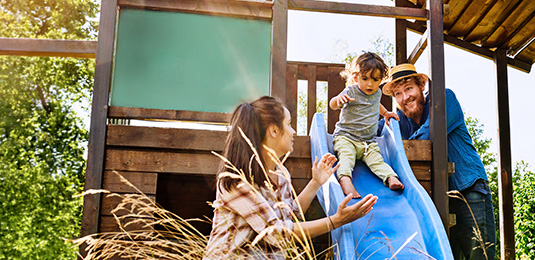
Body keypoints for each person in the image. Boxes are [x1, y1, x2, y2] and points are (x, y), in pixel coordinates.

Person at [204, 96, 377, 259]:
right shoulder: (237, 181)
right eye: (289, 124)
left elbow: (290, 216)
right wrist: (336, 221)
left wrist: (315, 183)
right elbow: (277, 234)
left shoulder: (280, 173)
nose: (293, 131)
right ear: (274, 130)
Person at [379, 64, 497, 260]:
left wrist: (403, 143)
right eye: (398, 94)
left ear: (422, 85)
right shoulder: (400, 118)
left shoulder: (444, 99)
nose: (405, 97)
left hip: (468, 190)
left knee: (479, 256)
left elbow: (429, 135)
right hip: (437, 199)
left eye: (409, 89)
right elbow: (376, 133)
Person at [329, 52, 403, 199]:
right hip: (346, 137)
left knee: (377, 159)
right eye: (365, 79)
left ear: (381, 80)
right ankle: (345, 179)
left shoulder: (377, 94)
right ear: (356, 78)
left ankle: (390, 177)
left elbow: (376, 105)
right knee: (346, 157)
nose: (370, 84)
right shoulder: (351, 91)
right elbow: (332, 105)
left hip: (368, 142)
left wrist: (386, 113)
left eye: (375, 80)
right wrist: (338, 100)